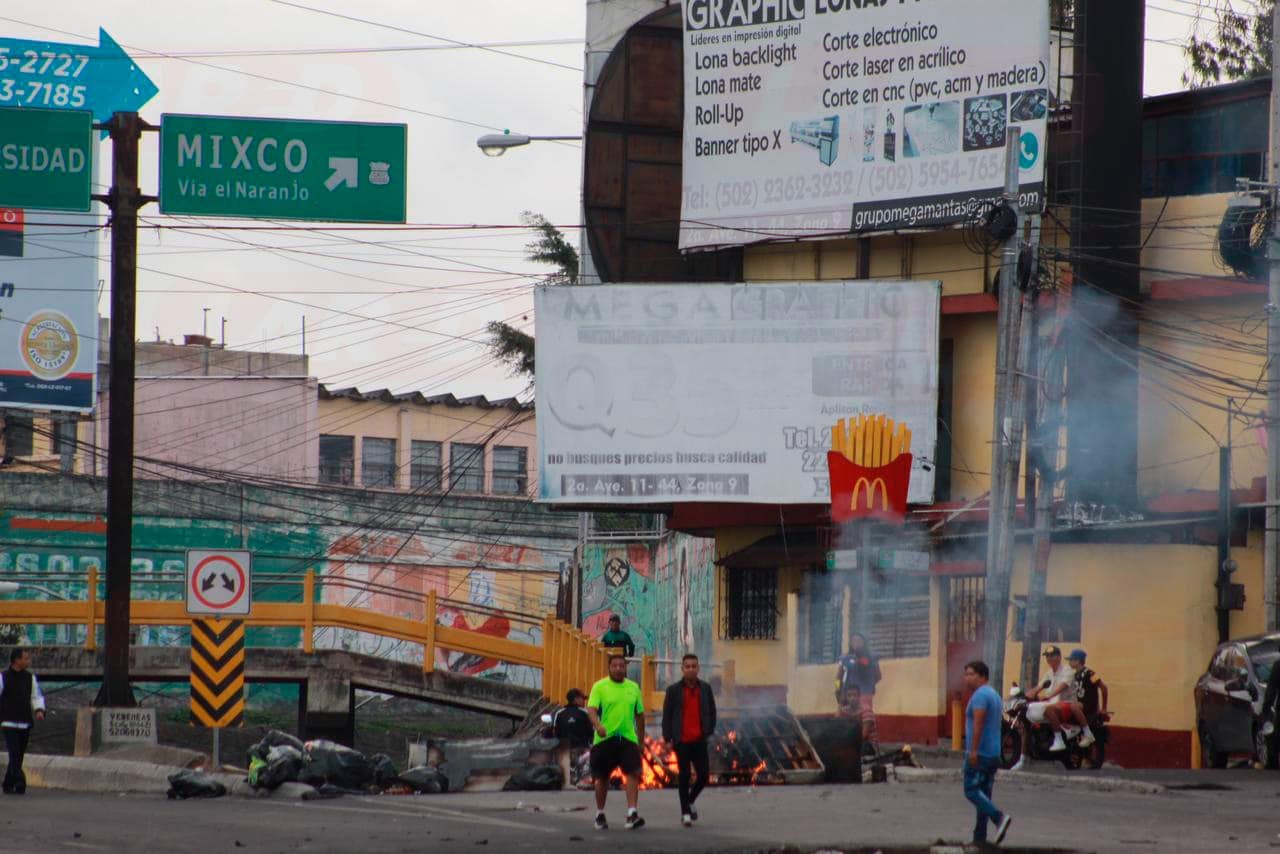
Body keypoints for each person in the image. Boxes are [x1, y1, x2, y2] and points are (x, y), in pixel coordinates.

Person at [587, 654, 646, 830]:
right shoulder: (600, 686)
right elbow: (591, 709)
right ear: (609, 667)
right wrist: (598, 726)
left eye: (622, 666)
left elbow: (640, 715)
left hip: (628, 738)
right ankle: (599, 813)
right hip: (605, 739)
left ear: (625, 668)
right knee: (602, 777)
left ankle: (632, 814)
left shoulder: (634, 687)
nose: (619, 669)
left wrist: (641, 741)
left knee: (633, 773)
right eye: (615, 666)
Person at [661, 654, 717, 828]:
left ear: (698, 668)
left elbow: (712, 712)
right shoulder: (673, 691)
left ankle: (690, 801)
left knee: (703, 776)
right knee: (684, 776)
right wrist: (668, 738)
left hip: (700, 739)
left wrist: (709, 731)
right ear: (682, 669)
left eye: (694, 666)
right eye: (688, 666)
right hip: (681, 741)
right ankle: (685, 812)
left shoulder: (706, 688)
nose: (691, 669)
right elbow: (667, 716)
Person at [963, 660, 1012, 846]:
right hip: (993, 753)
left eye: (970, 674)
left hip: (981, 753)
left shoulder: (980, 696)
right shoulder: (993, 694)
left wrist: (973, 751)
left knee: (971, 790)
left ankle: (999, 818)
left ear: (981, 675)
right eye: (965, 674)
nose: (966, 678)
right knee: (984, 794)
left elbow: (978, 724)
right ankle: (979, 838)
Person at [0, 648, 45, 795]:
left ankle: (8, 783)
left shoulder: (29, 678)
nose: (28, 661)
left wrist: (39, 710)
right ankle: (20, 781)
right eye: (25, 658)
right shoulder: (3, 677)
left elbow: (36, 696)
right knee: (14, 753)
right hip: (8, 722)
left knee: (19, 754)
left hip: (25, 721)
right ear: (16, 660)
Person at [835, 632, 881, 755]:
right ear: (850, 643)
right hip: (847, 694)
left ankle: (863, 748)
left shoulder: (872, 658)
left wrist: (868, 686)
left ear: (864, 643)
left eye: (859, 641)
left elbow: (878, 676)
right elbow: (837, 678)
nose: (856, 643)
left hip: (865, 695)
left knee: (864, 721)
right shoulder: (845, 659)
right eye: (854, 641)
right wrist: (838, 691)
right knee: (841, 718)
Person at [1068, 649, 1109, 723]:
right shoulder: (1075, 675)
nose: (1069, 662)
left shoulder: (1090, 674)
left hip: (1089, 707)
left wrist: (1104, 708)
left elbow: (1104, 688)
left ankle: (1087, 730)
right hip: (1078, 706)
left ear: (1078, 661)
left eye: (1071, 660)